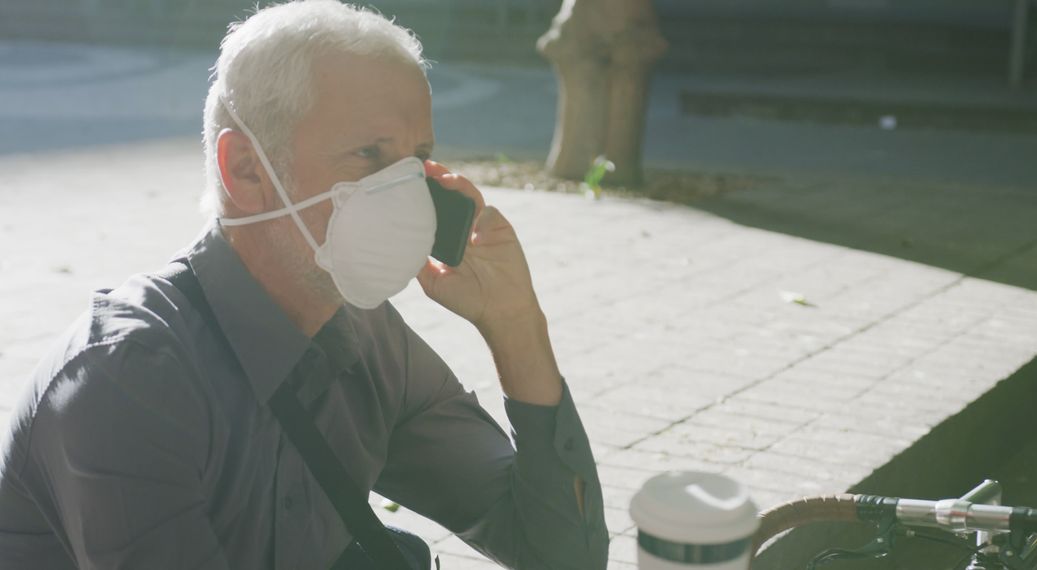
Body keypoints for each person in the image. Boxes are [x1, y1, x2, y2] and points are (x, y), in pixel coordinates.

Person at [0, 1, 608, 568]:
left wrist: (517, 327)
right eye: (370, 154)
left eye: (417, 158)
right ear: (245, 170)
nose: (407, 194)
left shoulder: (367, 337)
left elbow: (557, 552)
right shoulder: (127, 377)